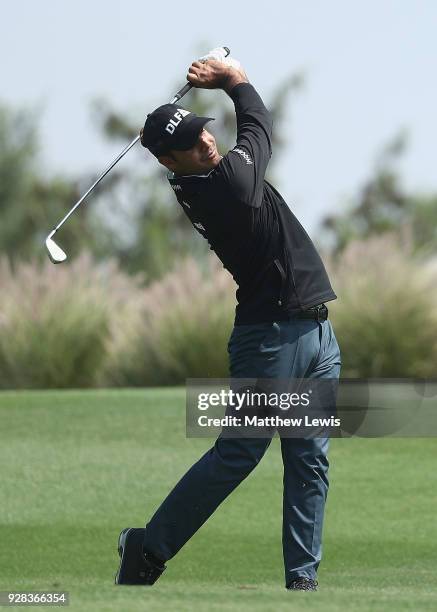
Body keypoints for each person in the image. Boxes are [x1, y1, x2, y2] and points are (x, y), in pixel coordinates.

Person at [115, 56, 341, 592]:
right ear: (171, 161)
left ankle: (302, 583)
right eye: (191, 144)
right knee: (240, 451)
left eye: (203, 131)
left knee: (310, 462)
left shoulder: (213, 174)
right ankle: (147, 549)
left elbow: (246, 133)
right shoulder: (227, 186)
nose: (206, 143)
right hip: (272, 339)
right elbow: (260, 124)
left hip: (314, 333)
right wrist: (234, 78)